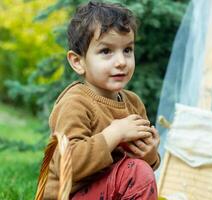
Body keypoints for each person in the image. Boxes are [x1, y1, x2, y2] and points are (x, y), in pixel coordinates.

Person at [39, 1, 160, 199]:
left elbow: (142, 168)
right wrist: (115, 133)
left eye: (127, 50)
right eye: (106, 51)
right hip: (72, 194)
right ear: (78, 62)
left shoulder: (133, 103)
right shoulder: (76, 102)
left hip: (113, 189)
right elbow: (68, 164)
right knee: (136, 171)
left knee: (139, 170)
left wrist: (149, 154)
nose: (121, 62)